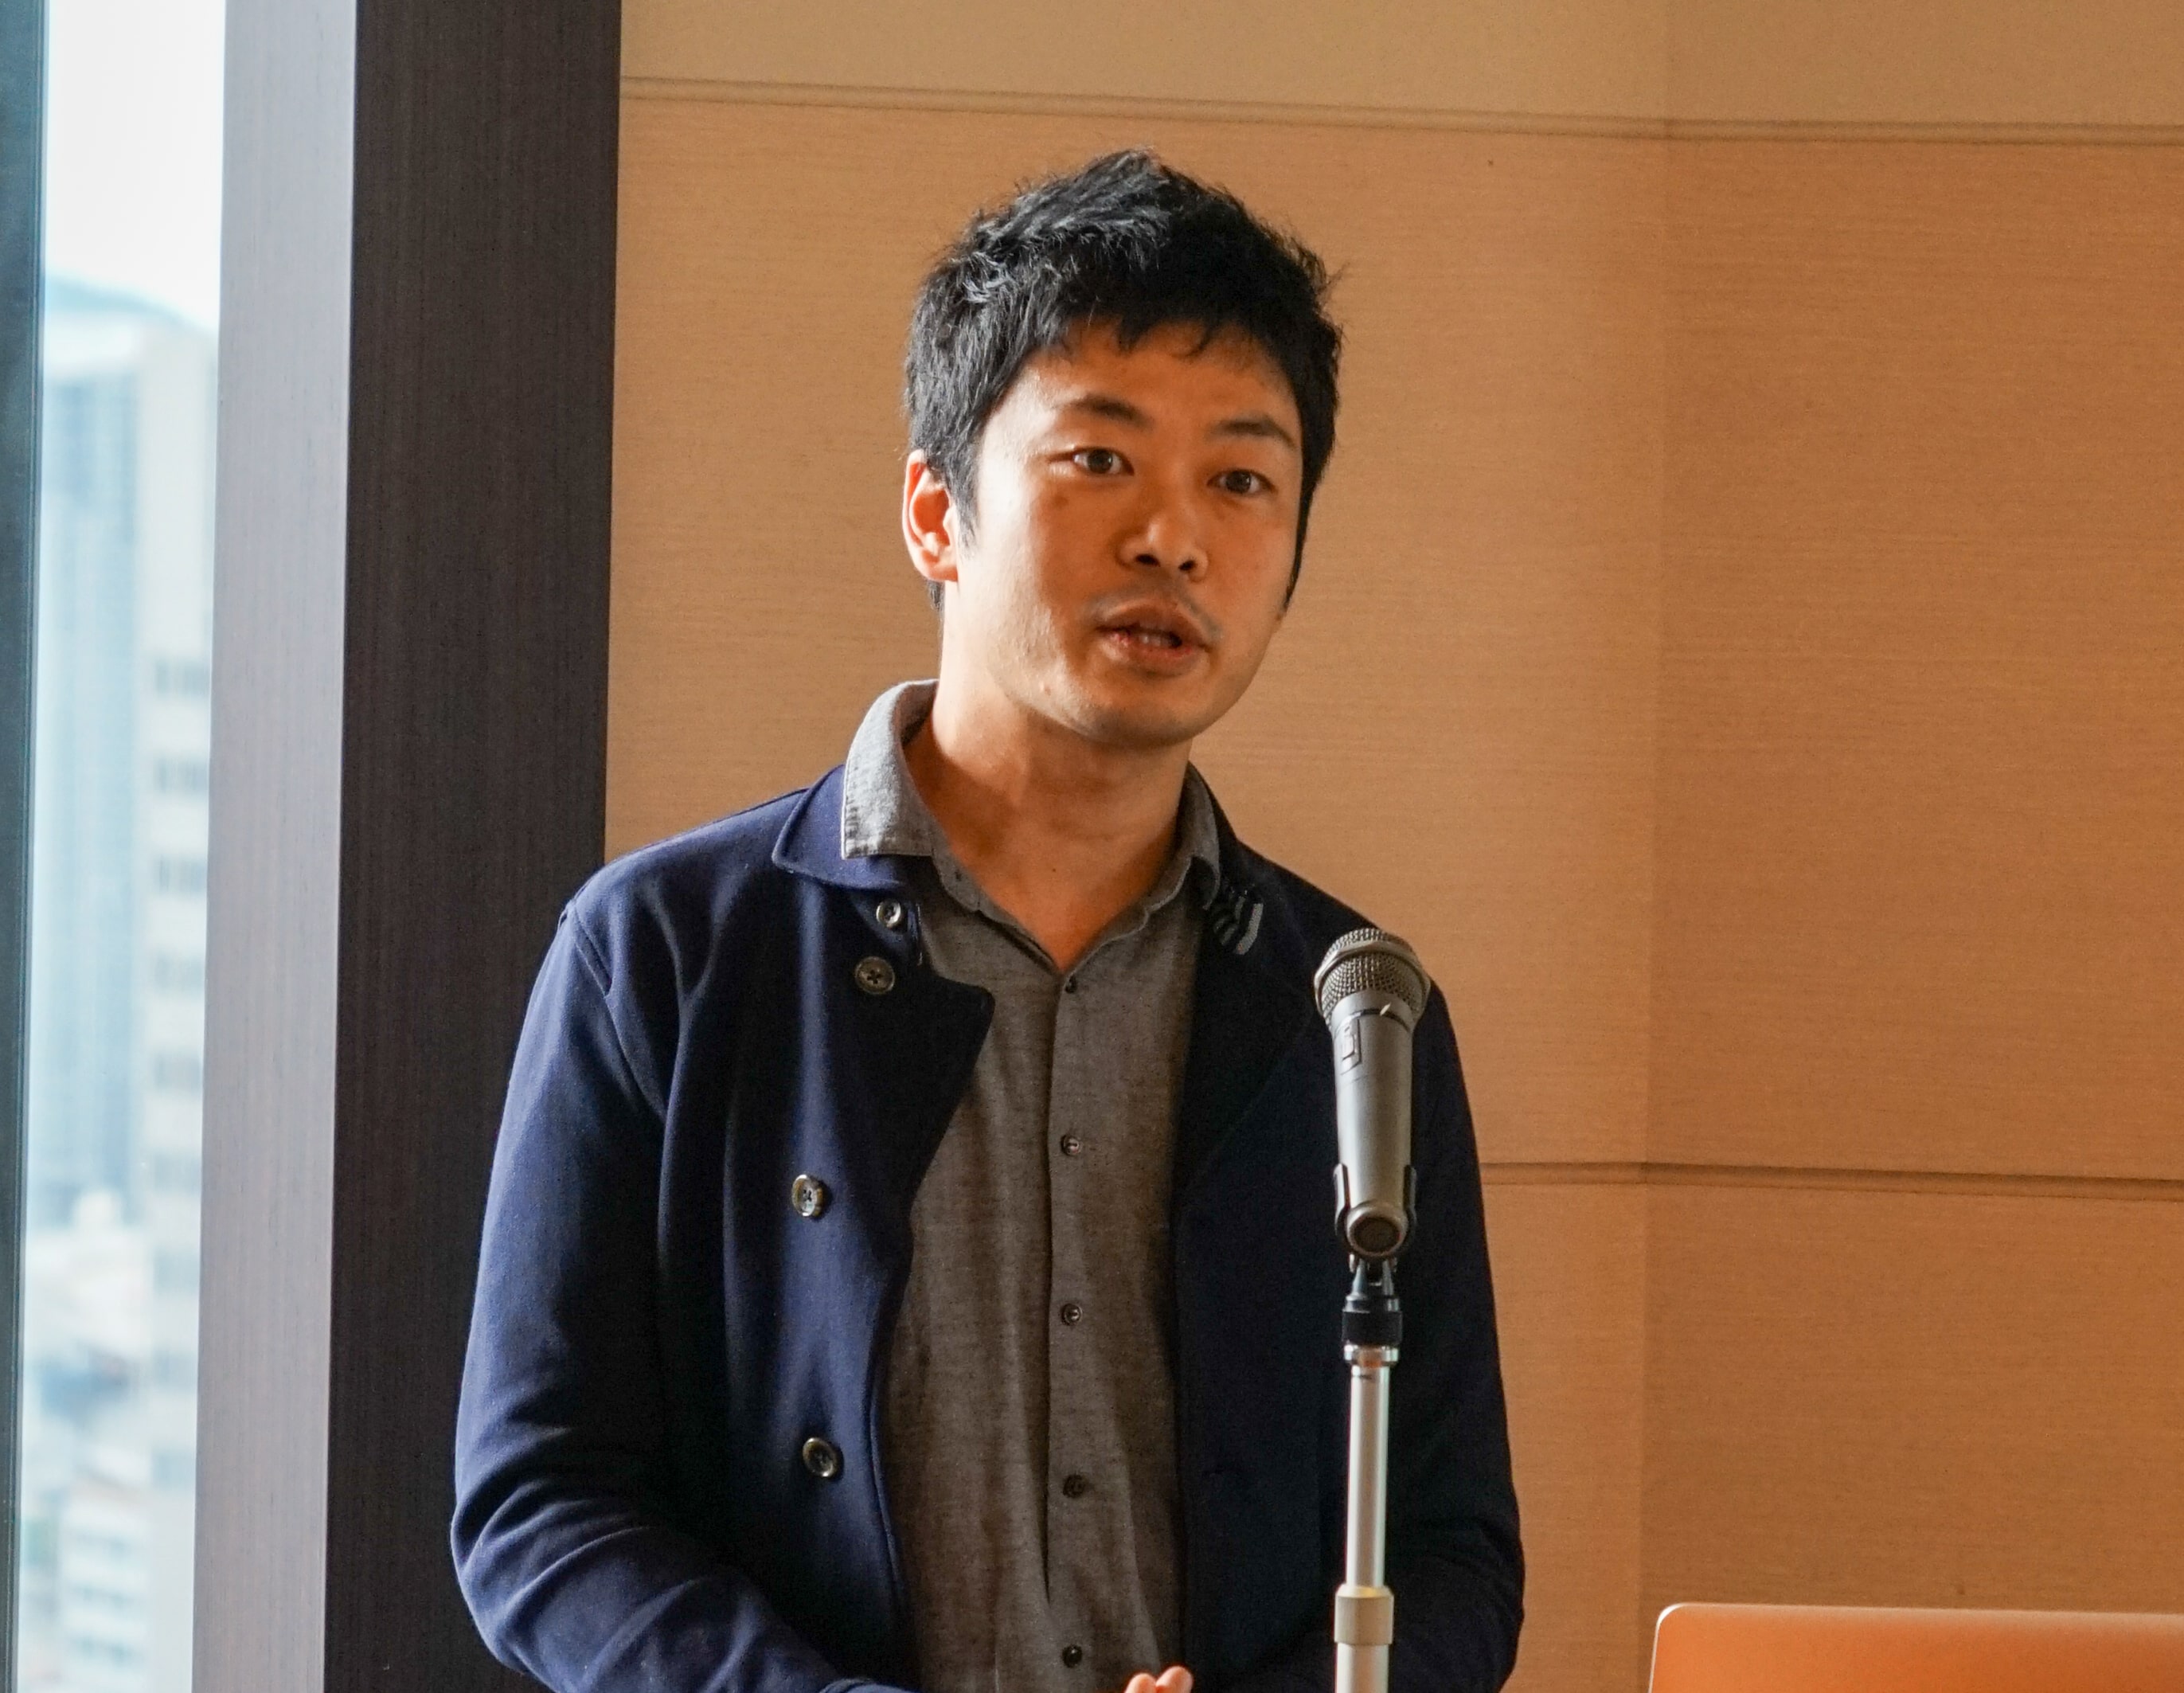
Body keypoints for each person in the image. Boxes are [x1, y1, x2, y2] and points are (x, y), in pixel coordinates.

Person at [451, 150, 1522, 1693]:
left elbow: (1451, 1550)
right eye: (1099, 459)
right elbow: (543, 1505)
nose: (1172, 538)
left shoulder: (1352, 1011)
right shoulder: (669, 953)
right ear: (934, 512)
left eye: (1240, 480)